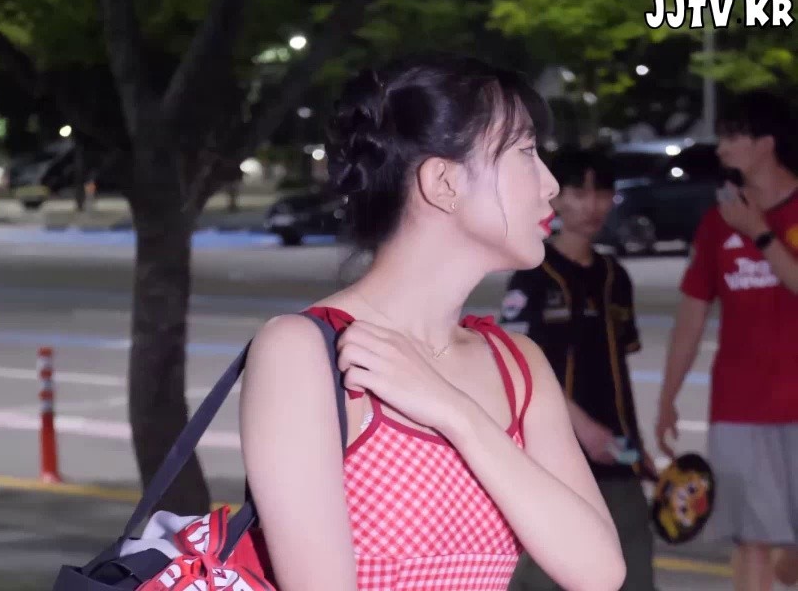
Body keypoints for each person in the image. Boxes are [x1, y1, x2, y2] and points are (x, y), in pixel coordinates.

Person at [238, 54, 626, 591]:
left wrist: (455, 413)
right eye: (524, 152)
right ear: (444, 181)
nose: (550, 185)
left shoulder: (517, 364)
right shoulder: (304, 351)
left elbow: (599, 571)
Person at [655, 91, 798, 591]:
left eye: (733, 136)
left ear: (766, 143)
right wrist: (667, 397)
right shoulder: (716, 223)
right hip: (738, 408)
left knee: (790, 556)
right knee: (750, 541)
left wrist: (759, 233)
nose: (721, 148)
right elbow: (690, 319)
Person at [500, 148, 657, 591]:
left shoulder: (615, 276)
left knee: (632, 575)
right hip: (554, 461)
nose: (591, 205)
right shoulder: (533, 275)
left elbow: (616, 370)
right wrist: (582, 428)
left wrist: (637, 445)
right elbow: (512, 365)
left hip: (618, 458)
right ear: (555, 196)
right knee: (546, 580)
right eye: (578, 192)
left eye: (601, 192)